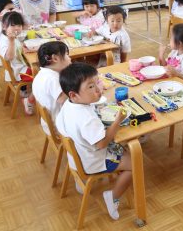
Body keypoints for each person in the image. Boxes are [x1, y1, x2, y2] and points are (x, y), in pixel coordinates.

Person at [55, 63, 132, 221]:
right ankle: (113, 197)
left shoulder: (68, 105)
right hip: (93, 160)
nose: (98, 89)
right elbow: (102, 143)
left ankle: (82, 182)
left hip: (77, 157)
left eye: (97, 82)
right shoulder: (86, 119)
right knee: (134, 162)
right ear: (74, 95)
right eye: (90, 86)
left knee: (125, 148)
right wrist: (118, 120)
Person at [0, 11, 35, 115]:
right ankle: (29, 100)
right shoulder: (5, 40)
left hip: (22, 66)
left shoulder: (11, 37)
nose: (17, 28)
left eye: (19, 25)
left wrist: (25, 49)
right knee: (42, 79)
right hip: (18, 72)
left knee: (43, 70)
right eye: (13, 25)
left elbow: (17, 49)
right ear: (4, 27)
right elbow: (9, 57)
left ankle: (31, 94)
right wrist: (11, 41)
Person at [32, 41, 71, 136]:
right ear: (55, 58)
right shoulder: (52, 79)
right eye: (66, 55)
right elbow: (62, 99)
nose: (70, 58)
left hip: (48, 122)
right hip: (58, 125)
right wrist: (76, 83)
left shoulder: (43, 74)